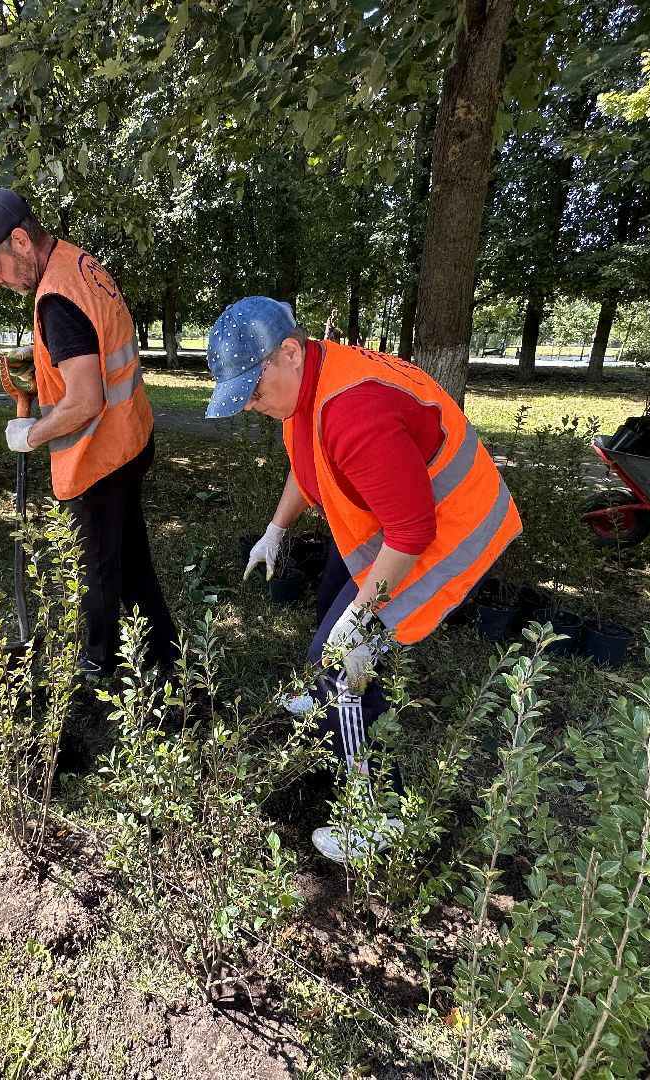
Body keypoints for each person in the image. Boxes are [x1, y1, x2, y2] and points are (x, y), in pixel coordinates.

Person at [205, 297, 521, 864]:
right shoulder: (308, 384)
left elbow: (414, 530)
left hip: (444, 529)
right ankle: (328, 693)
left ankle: (374, 816)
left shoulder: (353, 411)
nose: (250, 403)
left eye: (253, 388)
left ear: (289, 352)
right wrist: (276, 530)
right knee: (332, 604)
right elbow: (307, 463)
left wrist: (361, 619)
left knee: (340, 658)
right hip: (392, 515)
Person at [0, 187, 178, 677]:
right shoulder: (77, 263)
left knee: (97, 568)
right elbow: (91, 353)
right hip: (129, 436)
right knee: (130, 561)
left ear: (20, 241)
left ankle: (98, 663)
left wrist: (31, 434)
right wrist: (45, 367)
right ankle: (166, 658)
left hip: (100, 455)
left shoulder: (56, 300)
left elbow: (85, 401)